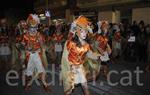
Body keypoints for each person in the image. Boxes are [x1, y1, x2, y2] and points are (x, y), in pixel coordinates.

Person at [60, 16, 101, 95]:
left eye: (85, 31)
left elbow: (90, 55)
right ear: (76, 31)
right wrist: (69, 67)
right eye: (81, 31)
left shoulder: (86, 45)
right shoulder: (71, 43)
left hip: (80, 68)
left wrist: (98, 55)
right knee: (68, 90)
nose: (84, 33)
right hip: (71, 70)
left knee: (85, 87)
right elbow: (65, 57)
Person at [21, 14, 49, 92]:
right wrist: (26, 48)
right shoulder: (25, 36)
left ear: (37, 27)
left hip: (37, 55)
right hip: (29, 55)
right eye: (31, 27)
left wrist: (41, 43)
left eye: (35, 27)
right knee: (28, 72)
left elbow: (43, 46)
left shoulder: (39, 35)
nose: (33, 29)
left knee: (42, 70)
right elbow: (21, 46)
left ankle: (45, 84)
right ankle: (28, 83)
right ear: (29, 27)